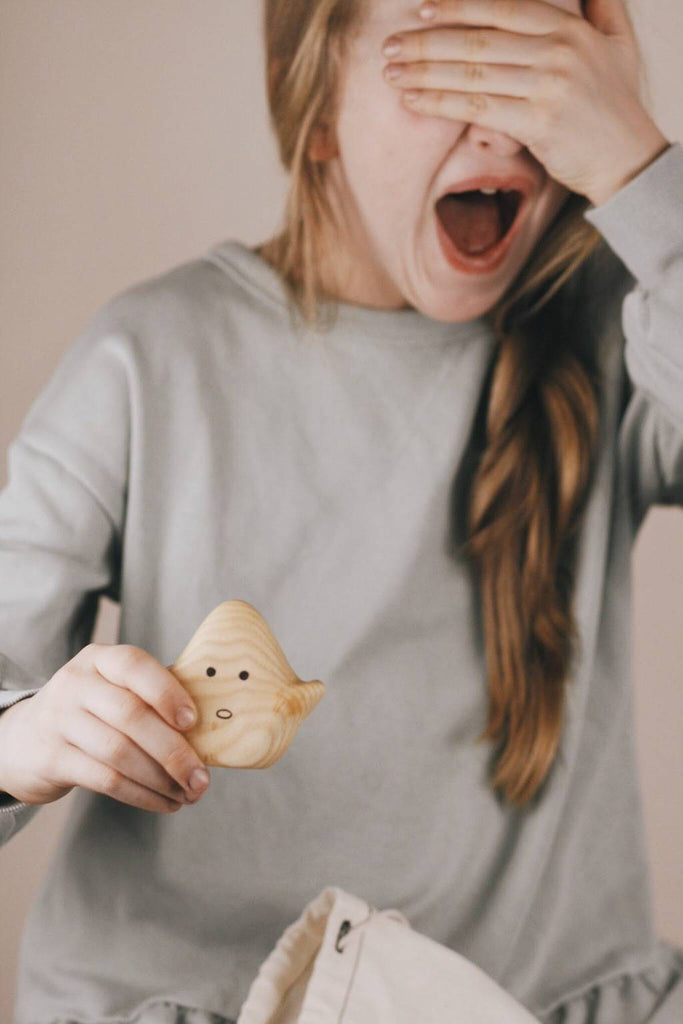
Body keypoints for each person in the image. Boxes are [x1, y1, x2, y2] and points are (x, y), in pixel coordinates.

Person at [1, 0, 682, 1020]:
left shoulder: (616, 330)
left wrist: (637, 166)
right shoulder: (147, 360)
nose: (503, 125)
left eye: (537, 68)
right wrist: (33, 738)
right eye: (455, 62)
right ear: (317, 109)